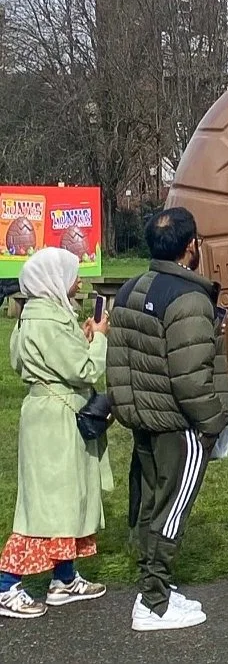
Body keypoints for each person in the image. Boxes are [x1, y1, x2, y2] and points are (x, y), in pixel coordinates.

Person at [107, 208, 228, 631]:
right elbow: (192, 378)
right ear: (190, 245)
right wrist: (213, 422)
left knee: (149, 506)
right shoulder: (190, 300)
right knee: (171, 510)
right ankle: (154, 603)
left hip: (142, 420)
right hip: (180, 425)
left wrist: (131, 411)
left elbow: (117, 365)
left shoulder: (127, 290)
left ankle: (152, 588)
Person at [0, 249, 110, 619]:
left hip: (44, 413)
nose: (77, 283)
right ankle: (5, 584)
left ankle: (63, 578)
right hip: (58, 421)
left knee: (61, 498)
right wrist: (99, 339)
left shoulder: (33, 315)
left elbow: (22, 360)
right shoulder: (51, 321)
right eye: (72, 275)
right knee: (46, 505)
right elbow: (84, 369)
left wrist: (78, 336)